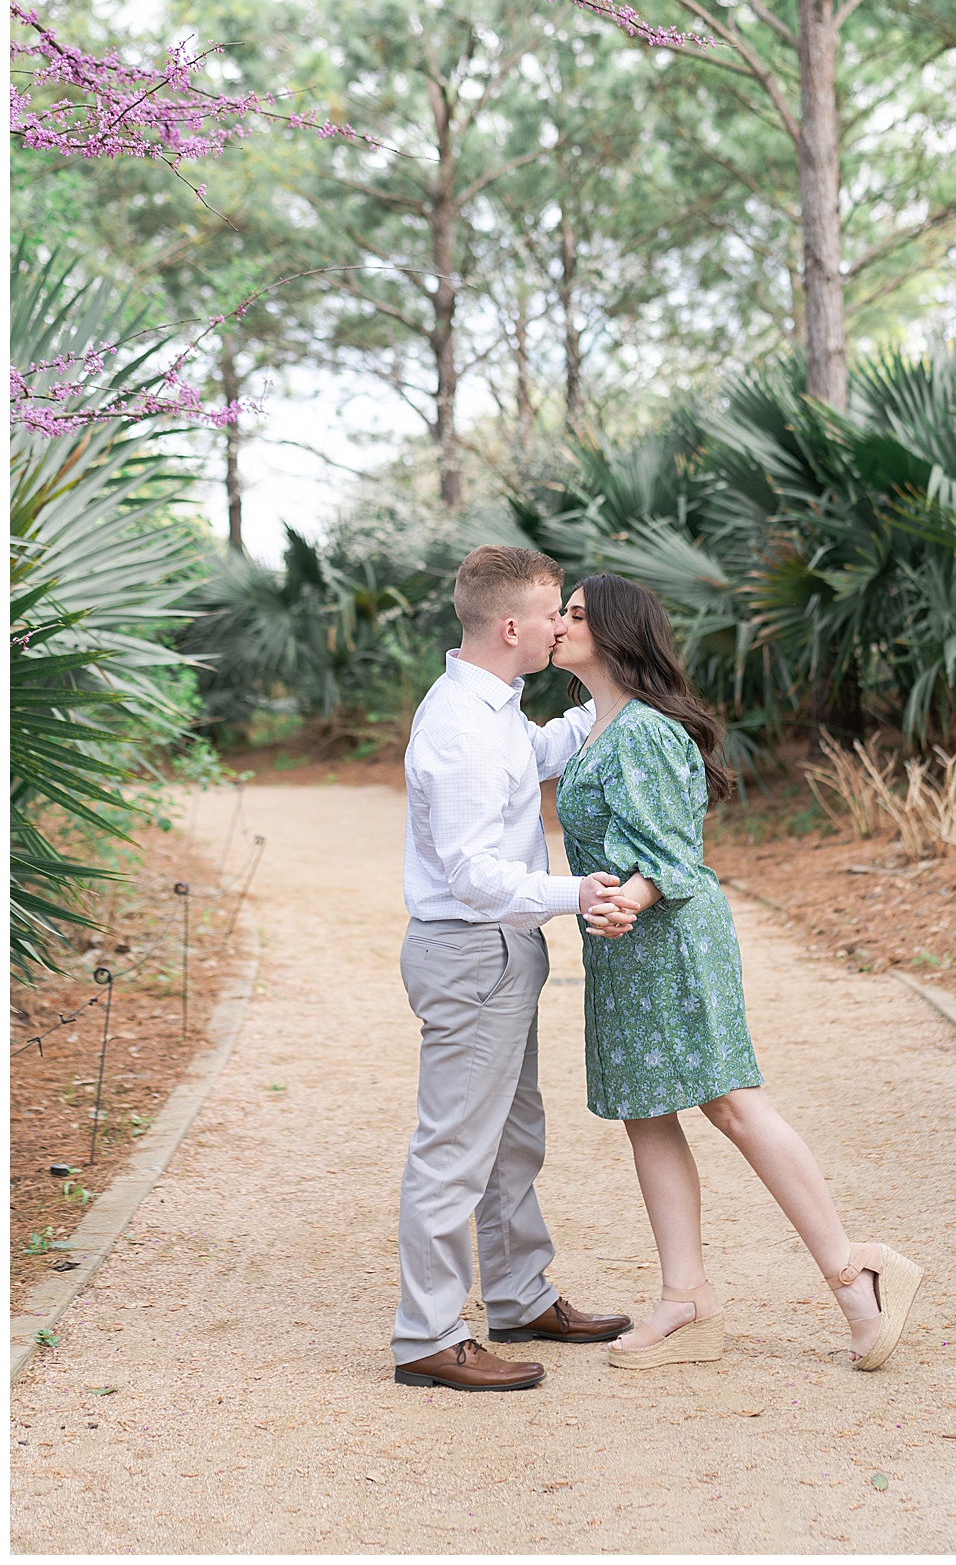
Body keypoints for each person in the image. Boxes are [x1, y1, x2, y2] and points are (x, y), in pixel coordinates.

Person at [552, 573, 923, 1372]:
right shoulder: (596, 728)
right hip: (624, 942)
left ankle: (854, 1275)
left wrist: (629, 901)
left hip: (670, 934)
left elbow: (674, 853)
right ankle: (686, 1298)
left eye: (575, 614)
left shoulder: (644, 730)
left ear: (616, 632)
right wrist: (616, 911)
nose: (558, 623)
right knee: (645, 1111)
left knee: (733, 1103)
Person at [390, 546, 636, 1393]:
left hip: (496, 952)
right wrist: (574, 892)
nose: (562, 625)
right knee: (455, 1150)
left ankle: (521, 1295)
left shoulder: (490, 705)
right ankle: (425, 1335)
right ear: (510, 627)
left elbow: (534, 756)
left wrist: (615, 696)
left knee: (511, 1140)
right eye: (551, 615)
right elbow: (470, 873)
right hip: (471, 950)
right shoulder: (459, 729)